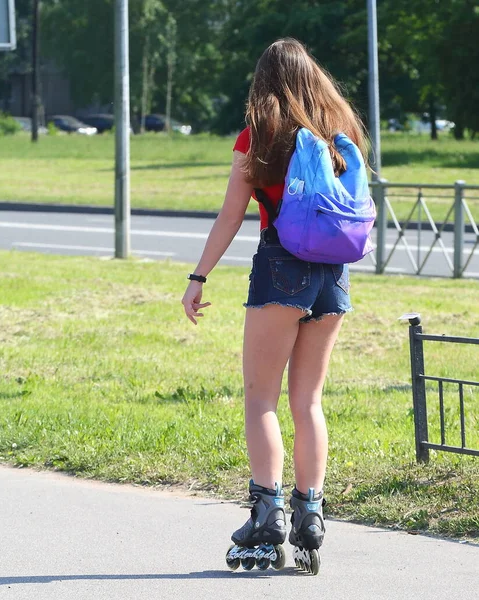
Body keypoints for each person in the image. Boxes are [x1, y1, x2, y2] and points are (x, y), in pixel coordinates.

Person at [181, 38, 368, 572]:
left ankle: (268, 514)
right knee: (308, 399)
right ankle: (311, 513)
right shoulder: (341, 133)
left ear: (265, 84)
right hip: (334, 273)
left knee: (261, 397)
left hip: (281, 265)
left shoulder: (259, 138)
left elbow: (230, 215)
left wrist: (199, 277)